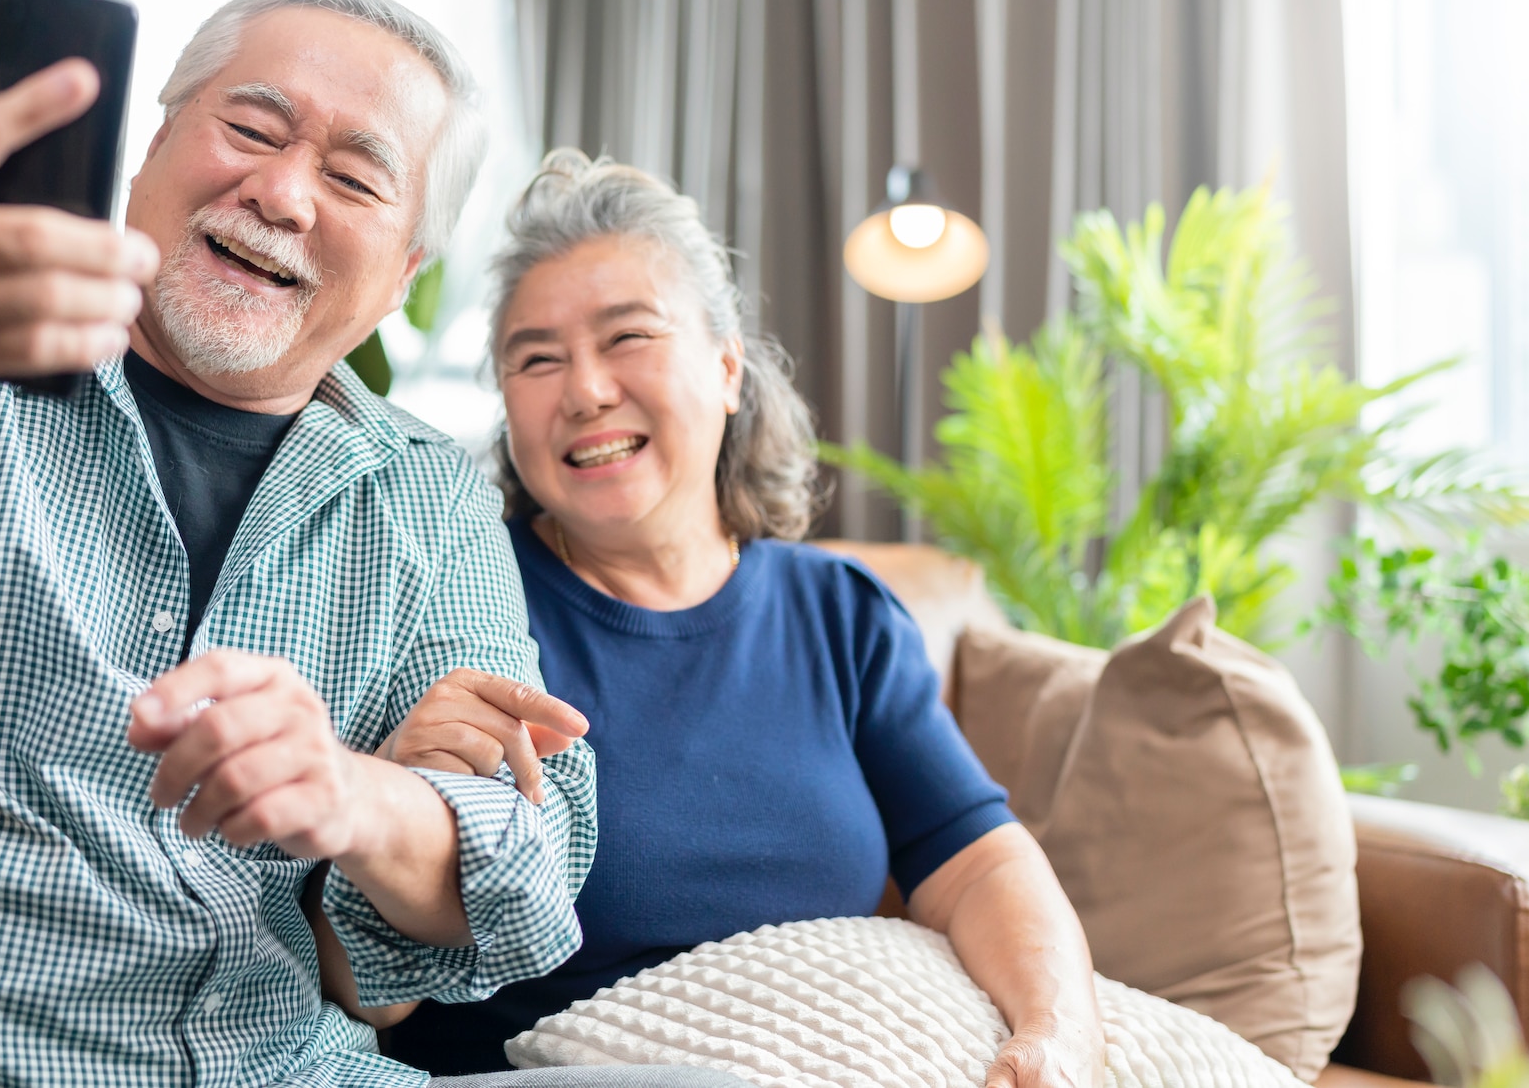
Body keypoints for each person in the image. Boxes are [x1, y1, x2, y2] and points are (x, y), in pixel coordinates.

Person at [0, 0, 740, 1088]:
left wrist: (354, 792)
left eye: (357, 176)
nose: (282, 193)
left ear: (401, 278)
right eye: (253, 128)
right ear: (152, 151)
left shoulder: (425, 493)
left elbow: (530, 877)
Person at [365, 151, 1109, 1087]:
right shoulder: (460, 601)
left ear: (726, 367)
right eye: (537, 357)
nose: (585, 389)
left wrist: (1061, 1033)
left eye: (626, 336)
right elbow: (368, 988)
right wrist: (388, 804)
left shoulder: (841, 614)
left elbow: (977, 862)